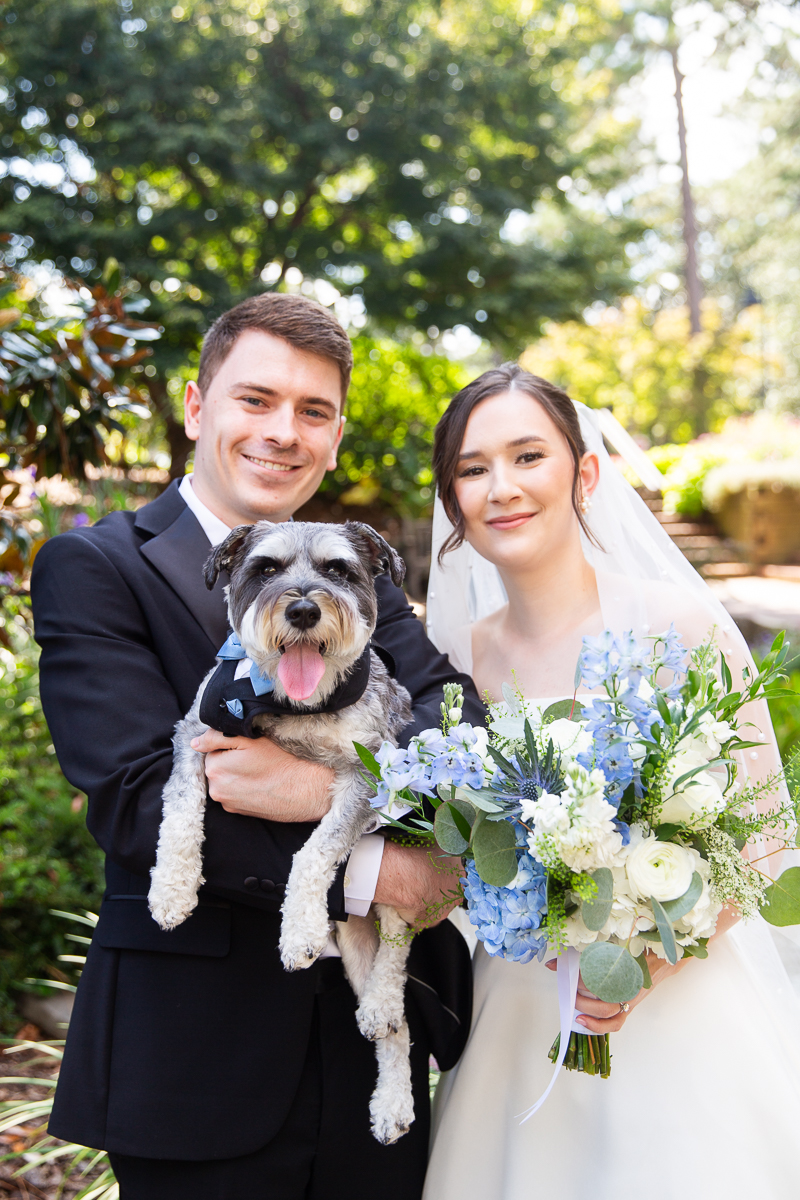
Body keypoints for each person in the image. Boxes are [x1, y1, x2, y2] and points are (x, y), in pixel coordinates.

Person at [31, 293, 482, 1200]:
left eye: (312, 411)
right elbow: (134, 791)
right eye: (256, 399)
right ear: (198, 408)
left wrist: (325, 793)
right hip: (194, 1064)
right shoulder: (98, 565)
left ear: (336, 433)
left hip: (371, 1048)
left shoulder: (353, 577)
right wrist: (379, 871)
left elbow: (451, 717)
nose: (284, 431)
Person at [421, 363, 800, 1200]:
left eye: (528, 456)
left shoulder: (682, 625)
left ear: (584, 472)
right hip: (516, 1014)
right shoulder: (456, 662)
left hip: (678, 1008)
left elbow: (768, 831)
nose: (502, 487)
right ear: (453, 501)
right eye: (473, 469)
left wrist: (643, 962)